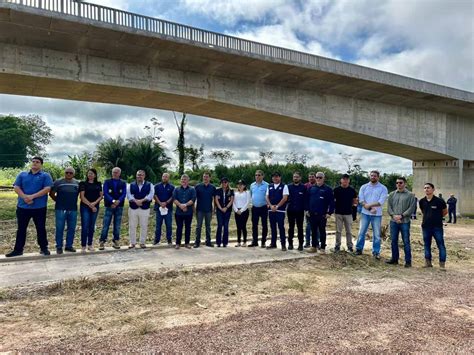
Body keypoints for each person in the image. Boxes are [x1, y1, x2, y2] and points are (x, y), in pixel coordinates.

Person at [6, 157, 53, 257]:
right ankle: (18, 250)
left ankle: (44, 248)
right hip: (23, 208)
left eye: (38, 162)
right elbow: (16, 187)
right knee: (21, 229)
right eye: (33, 162)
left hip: (39, 208)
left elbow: (47, 188)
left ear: (41, 164)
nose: (35, 163)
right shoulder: (22, 174)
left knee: (40, 228)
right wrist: (25, 197)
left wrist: (32, 196)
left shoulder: (45, 176)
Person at [355, 170, 388, 259]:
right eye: (371, 175)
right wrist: (369, 208)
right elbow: (361, 200)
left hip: (377, 214)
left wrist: (369, 205)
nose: (373, 177)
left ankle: (376, 252)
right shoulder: (364, 187)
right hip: (365, 213)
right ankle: (359, 249)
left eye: (375, 176)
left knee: (377, 234)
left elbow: (381, 201)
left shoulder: (383, 188)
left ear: (378, 177)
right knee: (361, 232)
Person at [386, 177, 416, 267]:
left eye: (401, 183)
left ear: (405, 184)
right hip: (393, 221)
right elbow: (389, 207)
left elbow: (412, 208)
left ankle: (408, 261)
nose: (399, 184)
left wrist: (401, 216)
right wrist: (394, 216)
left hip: (405, 222)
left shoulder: (411, 195)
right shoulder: (391, 194)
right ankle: (394, 259)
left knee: (406, 241)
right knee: (393, 241)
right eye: (397, 183)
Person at [50, 167, 80, 254]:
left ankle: (69, 246)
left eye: (71, 173)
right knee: (60, 228)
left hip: (73, 209)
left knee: (71, 228)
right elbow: (51, 193)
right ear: (64, 173)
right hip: (60, 209)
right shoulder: (58, 182)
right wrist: (58, 201)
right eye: (67, 172)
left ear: (73, 174)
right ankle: (59, 246)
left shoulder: (77, 183)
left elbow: (79, 194)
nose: (68, 174)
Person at [419, 183, 448, 269]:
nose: (426, 189)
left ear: (433, 189)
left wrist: (437, 217)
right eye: (425, 188)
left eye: (428, 188)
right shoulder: (422, 201)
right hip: (426, 227)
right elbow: (423, 211)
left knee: (441, 245)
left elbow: (445, 212)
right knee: (427, 245)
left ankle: (442, 264)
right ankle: (428, 263)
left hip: (437, 227)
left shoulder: (439, 201)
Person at [305, 172, 334, 253]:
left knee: (322, 231)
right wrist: (307, 210)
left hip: (322, 215)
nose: (318, 179)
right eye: (317, 177)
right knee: (313, 231)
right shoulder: (311, 188)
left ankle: (322, 248)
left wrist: (329, 213)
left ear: (323, 178)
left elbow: (332, 203)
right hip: (312, 214)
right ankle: (313, 247)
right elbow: (306, 200)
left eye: (320, 177)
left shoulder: (328, 189)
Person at [99, 167, 126, 250]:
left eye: (117, 172)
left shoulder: (123, 182)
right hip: (109, 206)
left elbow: (124, 193)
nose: (115, 173)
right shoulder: (107, 182)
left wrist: (118, 202)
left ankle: (116, 240)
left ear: (119, 173)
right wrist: (113, 201)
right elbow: (105, 193)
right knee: (106, 225)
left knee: (117, 225)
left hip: (119, 206)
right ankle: (102, 241)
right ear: (112, 173)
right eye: (114, 172)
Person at [126, 170, 154, 249]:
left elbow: (151, 195)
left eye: (141, 175)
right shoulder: (131, 185)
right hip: (133, 208)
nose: (139, 176)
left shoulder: (149, 184)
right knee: (132, 226)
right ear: (136, 176)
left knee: (144, 225)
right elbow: (128, 195)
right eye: (138, 175)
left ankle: (142, 242)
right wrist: (135, 201)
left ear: (144, 176)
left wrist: (141, 201)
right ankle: (132, 243)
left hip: (144, 208)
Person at [79, 168, 103, 252]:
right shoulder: (83, 183)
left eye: (92, 173)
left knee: (92, 226)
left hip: (95, 207)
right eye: (89, 173)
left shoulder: (98, 184)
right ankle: (83, 246)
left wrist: (94, 204)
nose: (90, 175)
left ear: (95, 175)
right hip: (85, 207)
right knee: (85, 226)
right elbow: (82, 197)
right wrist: (90, 205)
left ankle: (90, 244)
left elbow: (101, 196)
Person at [333, 174, 357, 253]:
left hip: (348, 213)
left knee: (349, 231)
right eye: (343, 179)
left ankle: (350, 246)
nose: (345, 181)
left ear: (349, 181)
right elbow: (332, 201)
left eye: (347, 179)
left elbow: (354, 202)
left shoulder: (352, 190)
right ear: (341, 180)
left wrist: (354, 214)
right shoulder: (336, 190)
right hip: (338, 213)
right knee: (338, 231)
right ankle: (337, 245)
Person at [265, 172, 289, 250]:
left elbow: (285, 198)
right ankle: (273, 243)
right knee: (272, 227)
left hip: (280, 211)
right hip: (271, 210)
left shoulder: (284, 186)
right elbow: (266, 197)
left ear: (280, 177)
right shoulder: (270, 186)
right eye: (273, 177)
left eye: (277, 177)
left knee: (281, 227)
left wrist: (277, 206)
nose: (275, 178)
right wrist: (271, 206)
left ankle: (283, 245)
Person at [173, 174, 196, 249]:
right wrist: (180, 206)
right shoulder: (176, 189)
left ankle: (187, 243)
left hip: (188, 212)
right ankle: (178, 243)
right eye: (182, 179)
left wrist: (185, 205)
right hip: (178, 212)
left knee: (188, 228)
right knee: (179, 228)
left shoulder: (192, 189)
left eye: (185, 179)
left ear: (188, 181)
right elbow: (174, 199)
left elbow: (193, 199)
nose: (183, 181)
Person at [194, 172, 216, 248]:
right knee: (198, 226)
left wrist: (214, 209)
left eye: (207, 177)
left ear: (210, 178)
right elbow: (194, 199)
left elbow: (214, 199)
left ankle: (208, 242)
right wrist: (194, 209)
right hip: (199, 210)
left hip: (209, 210)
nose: (205, 178)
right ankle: (197, 242)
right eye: (204, 177)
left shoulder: (212, 187)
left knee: (208, 226)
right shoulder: (197, 186)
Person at [153, 172, 175, 246]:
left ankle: (169, 240)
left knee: (168, 225)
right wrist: (160, 203)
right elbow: (154, 195)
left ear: (168, 178)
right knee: (158, 225)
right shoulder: (156, 186)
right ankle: (156, 240)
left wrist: (166, 203)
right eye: (163, 176)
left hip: (168, 209)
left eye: (166, 177)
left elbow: (173, 196)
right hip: (159, 209)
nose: (164, 178)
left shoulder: (172, 187)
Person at [249, 170, 269, 248]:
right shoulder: (252, 185)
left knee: (264, 225)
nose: (257, 176)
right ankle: (255, 241)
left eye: (259, 175)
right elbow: (251, 195)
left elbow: (269, 196)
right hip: (255, 208)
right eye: (256, 175)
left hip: (264, 207)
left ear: (263, 176)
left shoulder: (267, 185)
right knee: (254, 225)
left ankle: (263, 241)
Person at [287, 172, 306, 251]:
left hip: (300, 211)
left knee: (300, 228)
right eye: (294, 177)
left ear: (300, 178)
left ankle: (301, 244)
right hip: (290, 210)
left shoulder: (303, 187)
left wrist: (306, 209)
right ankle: (290, 244)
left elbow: (306, 199)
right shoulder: (288, 187)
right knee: (291, 228)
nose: (295, 178)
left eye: (297, 177)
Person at [215, 177, 234, 247]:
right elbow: (216, 200)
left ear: (227, 183)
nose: (224, 183)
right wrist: (220, 208)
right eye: (222, 182)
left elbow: (232, 200)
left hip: (227, 211)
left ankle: (225, 242)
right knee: (220, 225)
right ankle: (218, 242)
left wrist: (226, 208)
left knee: (226, 226)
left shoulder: (231, 191)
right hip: (219, 210)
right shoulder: (218, 190)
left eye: (225, 182)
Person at [233, 180, 251, 247]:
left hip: (244, 211)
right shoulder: (235, 193)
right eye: (239, 184)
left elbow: (247, 202)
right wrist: (236, 210)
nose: (240, 186)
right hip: (237, 211)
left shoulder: (247, 193)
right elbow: (233, 202)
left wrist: (241, 210)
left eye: (242, 184)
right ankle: (238, 241)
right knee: (238, 227)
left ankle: (245, 241)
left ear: (244, 185)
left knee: (243, 226)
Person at [304, 172, 317, 248]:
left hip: (317, 210)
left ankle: (316, 242)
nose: (311, 178)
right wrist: (306, 209)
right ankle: (307, 242)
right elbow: (305, 199)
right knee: (308, 226)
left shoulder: (318, 185)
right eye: (310, 177)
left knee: (317, 227)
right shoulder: (305, 186)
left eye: (312, 177)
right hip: (308, 210)